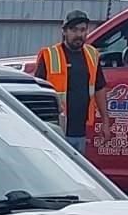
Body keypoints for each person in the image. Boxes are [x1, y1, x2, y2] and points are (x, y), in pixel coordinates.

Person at [33, 10, 104, 150]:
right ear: (64, 31)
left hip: (80, 131)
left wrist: (106, 122)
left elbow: (99, 88)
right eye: (74, 30)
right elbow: (37, 92)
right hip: (55, 131)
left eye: (83, 30)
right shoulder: (49, 55)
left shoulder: (92, 55)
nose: (79, 34)